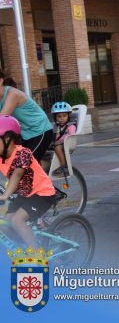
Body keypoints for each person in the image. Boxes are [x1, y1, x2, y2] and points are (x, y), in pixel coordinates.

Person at [0, 116, 56, 249]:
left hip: (42, 195)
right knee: (4, 225)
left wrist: (5, 196)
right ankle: (29, 241)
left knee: (17, 221)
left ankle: (37, 256)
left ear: (7, 139)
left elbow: (17, 175)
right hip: (25, 195)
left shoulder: (23, 153)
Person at [0, 71, 53, 162]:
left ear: (1, 81)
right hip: (24, 135)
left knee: (23, 165)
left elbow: (2, 120)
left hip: (40, 131)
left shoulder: (12, 94)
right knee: (11, 162)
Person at [49, 102, 76, 176]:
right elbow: (53, 136)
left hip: (68, 144)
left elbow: (71, 136)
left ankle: (63, 167)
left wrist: (60, 142)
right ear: (55, 117)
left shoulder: (71, 126)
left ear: (68, 116)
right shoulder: (56, 126)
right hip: (59, 144)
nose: (62, 118)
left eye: (64, 116)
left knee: (57, 148)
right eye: (59, 116)